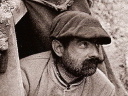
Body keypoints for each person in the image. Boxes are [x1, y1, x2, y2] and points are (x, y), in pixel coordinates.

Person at [21, 11, 115, 96]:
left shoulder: (104, 89)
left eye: (97, 45)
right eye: (83, 44)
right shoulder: (25, 74)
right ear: (59, 48)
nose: (95, 53)